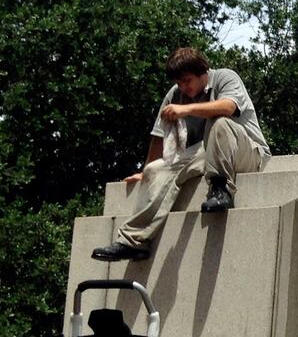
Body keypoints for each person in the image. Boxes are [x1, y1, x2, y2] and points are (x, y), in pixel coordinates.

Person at [91, 47, 270, 262]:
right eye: (179, 83)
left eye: (187, 81)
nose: (184, 87)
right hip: (203, 153)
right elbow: (159, 136)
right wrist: (144, 170)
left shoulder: (225, 77)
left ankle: (221, 190)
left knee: (219, 122)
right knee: (155, 170)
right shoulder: (175, 95)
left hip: (247, 151)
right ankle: (133, 241)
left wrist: (186, 110)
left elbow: (229, 107)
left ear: (203, 72)